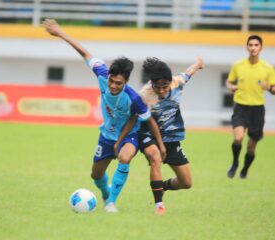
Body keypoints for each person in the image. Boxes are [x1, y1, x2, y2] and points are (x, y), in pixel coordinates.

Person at [42, 19, 166, 212]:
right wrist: (59, 32)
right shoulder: (101, 73)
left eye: (118, 82)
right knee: (96, 174)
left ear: (126, 81)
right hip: (106, 135)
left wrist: (161, 145)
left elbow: (149, 120)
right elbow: (85, 52)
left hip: (128, 136)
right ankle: (106, 193)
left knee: (125, 158)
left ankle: (111, 203)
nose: (113, 85)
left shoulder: (134, 99)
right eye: (111, 81)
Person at [116, 57, 204, 215]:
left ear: (171, 81)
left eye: (165, 86)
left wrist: (198, 64)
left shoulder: (178, 82)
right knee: (155, 157)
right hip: (147, 134)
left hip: (171, 138)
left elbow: (188, 72)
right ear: (152, 83)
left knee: (186, 182)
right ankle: (159, 205)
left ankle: (160, 186)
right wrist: (119, 141)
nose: (162, 90)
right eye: (157, 87)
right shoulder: (144, 95)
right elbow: (133, 118)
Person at [226, 35, 275, 179]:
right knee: (238, 138)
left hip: (257, 109)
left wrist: (270, 88)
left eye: (256, 45)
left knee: (251, 147)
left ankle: (244, 170)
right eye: (251, 45)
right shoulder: (238, 65)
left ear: (261, 48)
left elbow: (273, 89)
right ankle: (235, 163)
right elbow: (229, 82)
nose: (253, 48)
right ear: (247, 47)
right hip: (240, 107)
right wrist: (231, 86)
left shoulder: (267, 68)